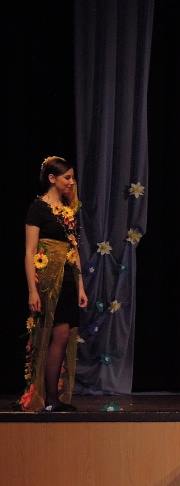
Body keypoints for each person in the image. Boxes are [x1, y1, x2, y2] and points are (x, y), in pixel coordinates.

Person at [18, 156, 88, 412]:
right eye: (67, 177)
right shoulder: (38, 208)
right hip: (48, 282)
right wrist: (32, 290)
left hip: (68, 280)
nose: (71, 182)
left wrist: (81, 286)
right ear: (52, 178)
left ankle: (54, 398)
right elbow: (29, 251)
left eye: (73, 177)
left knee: (64, 334)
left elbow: (74, 250)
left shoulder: (69, 209)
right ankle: (48, 398)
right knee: (54, 333)